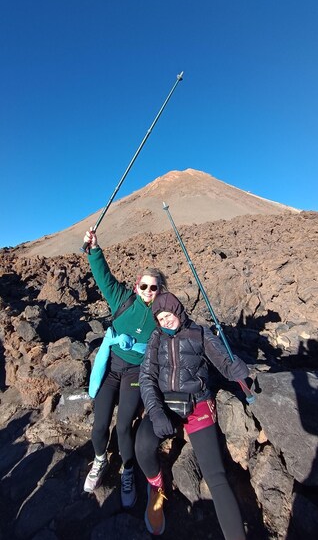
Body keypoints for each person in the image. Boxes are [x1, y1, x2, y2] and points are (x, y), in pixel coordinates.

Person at [135, 292, 249, 539]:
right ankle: (156, 487)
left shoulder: (200, 333)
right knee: (143, 446)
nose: (165, 321)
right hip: (165, 403)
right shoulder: (156, 338)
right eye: (160, 318)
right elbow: (147, 378)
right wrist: (156, 413)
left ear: (179, 311)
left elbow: (223, 361)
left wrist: (236, 368)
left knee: (216, 475)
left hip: (197, 403)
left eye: (169, 315)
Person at [82, 228, 167, 509]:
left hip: (135, 373)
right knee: (99, 427)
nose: (148, 292)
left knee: (123, 428)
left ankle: (128, 471)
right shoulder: (121, 299)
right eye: (144, 286)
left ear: (160, 291)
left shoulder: (160, 313)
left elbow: (179, 326)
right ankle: (100, 461)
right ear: (135, 286)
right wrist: (95, 248)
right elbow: (103, 275)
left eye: (154, 288)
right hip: (112, 367)